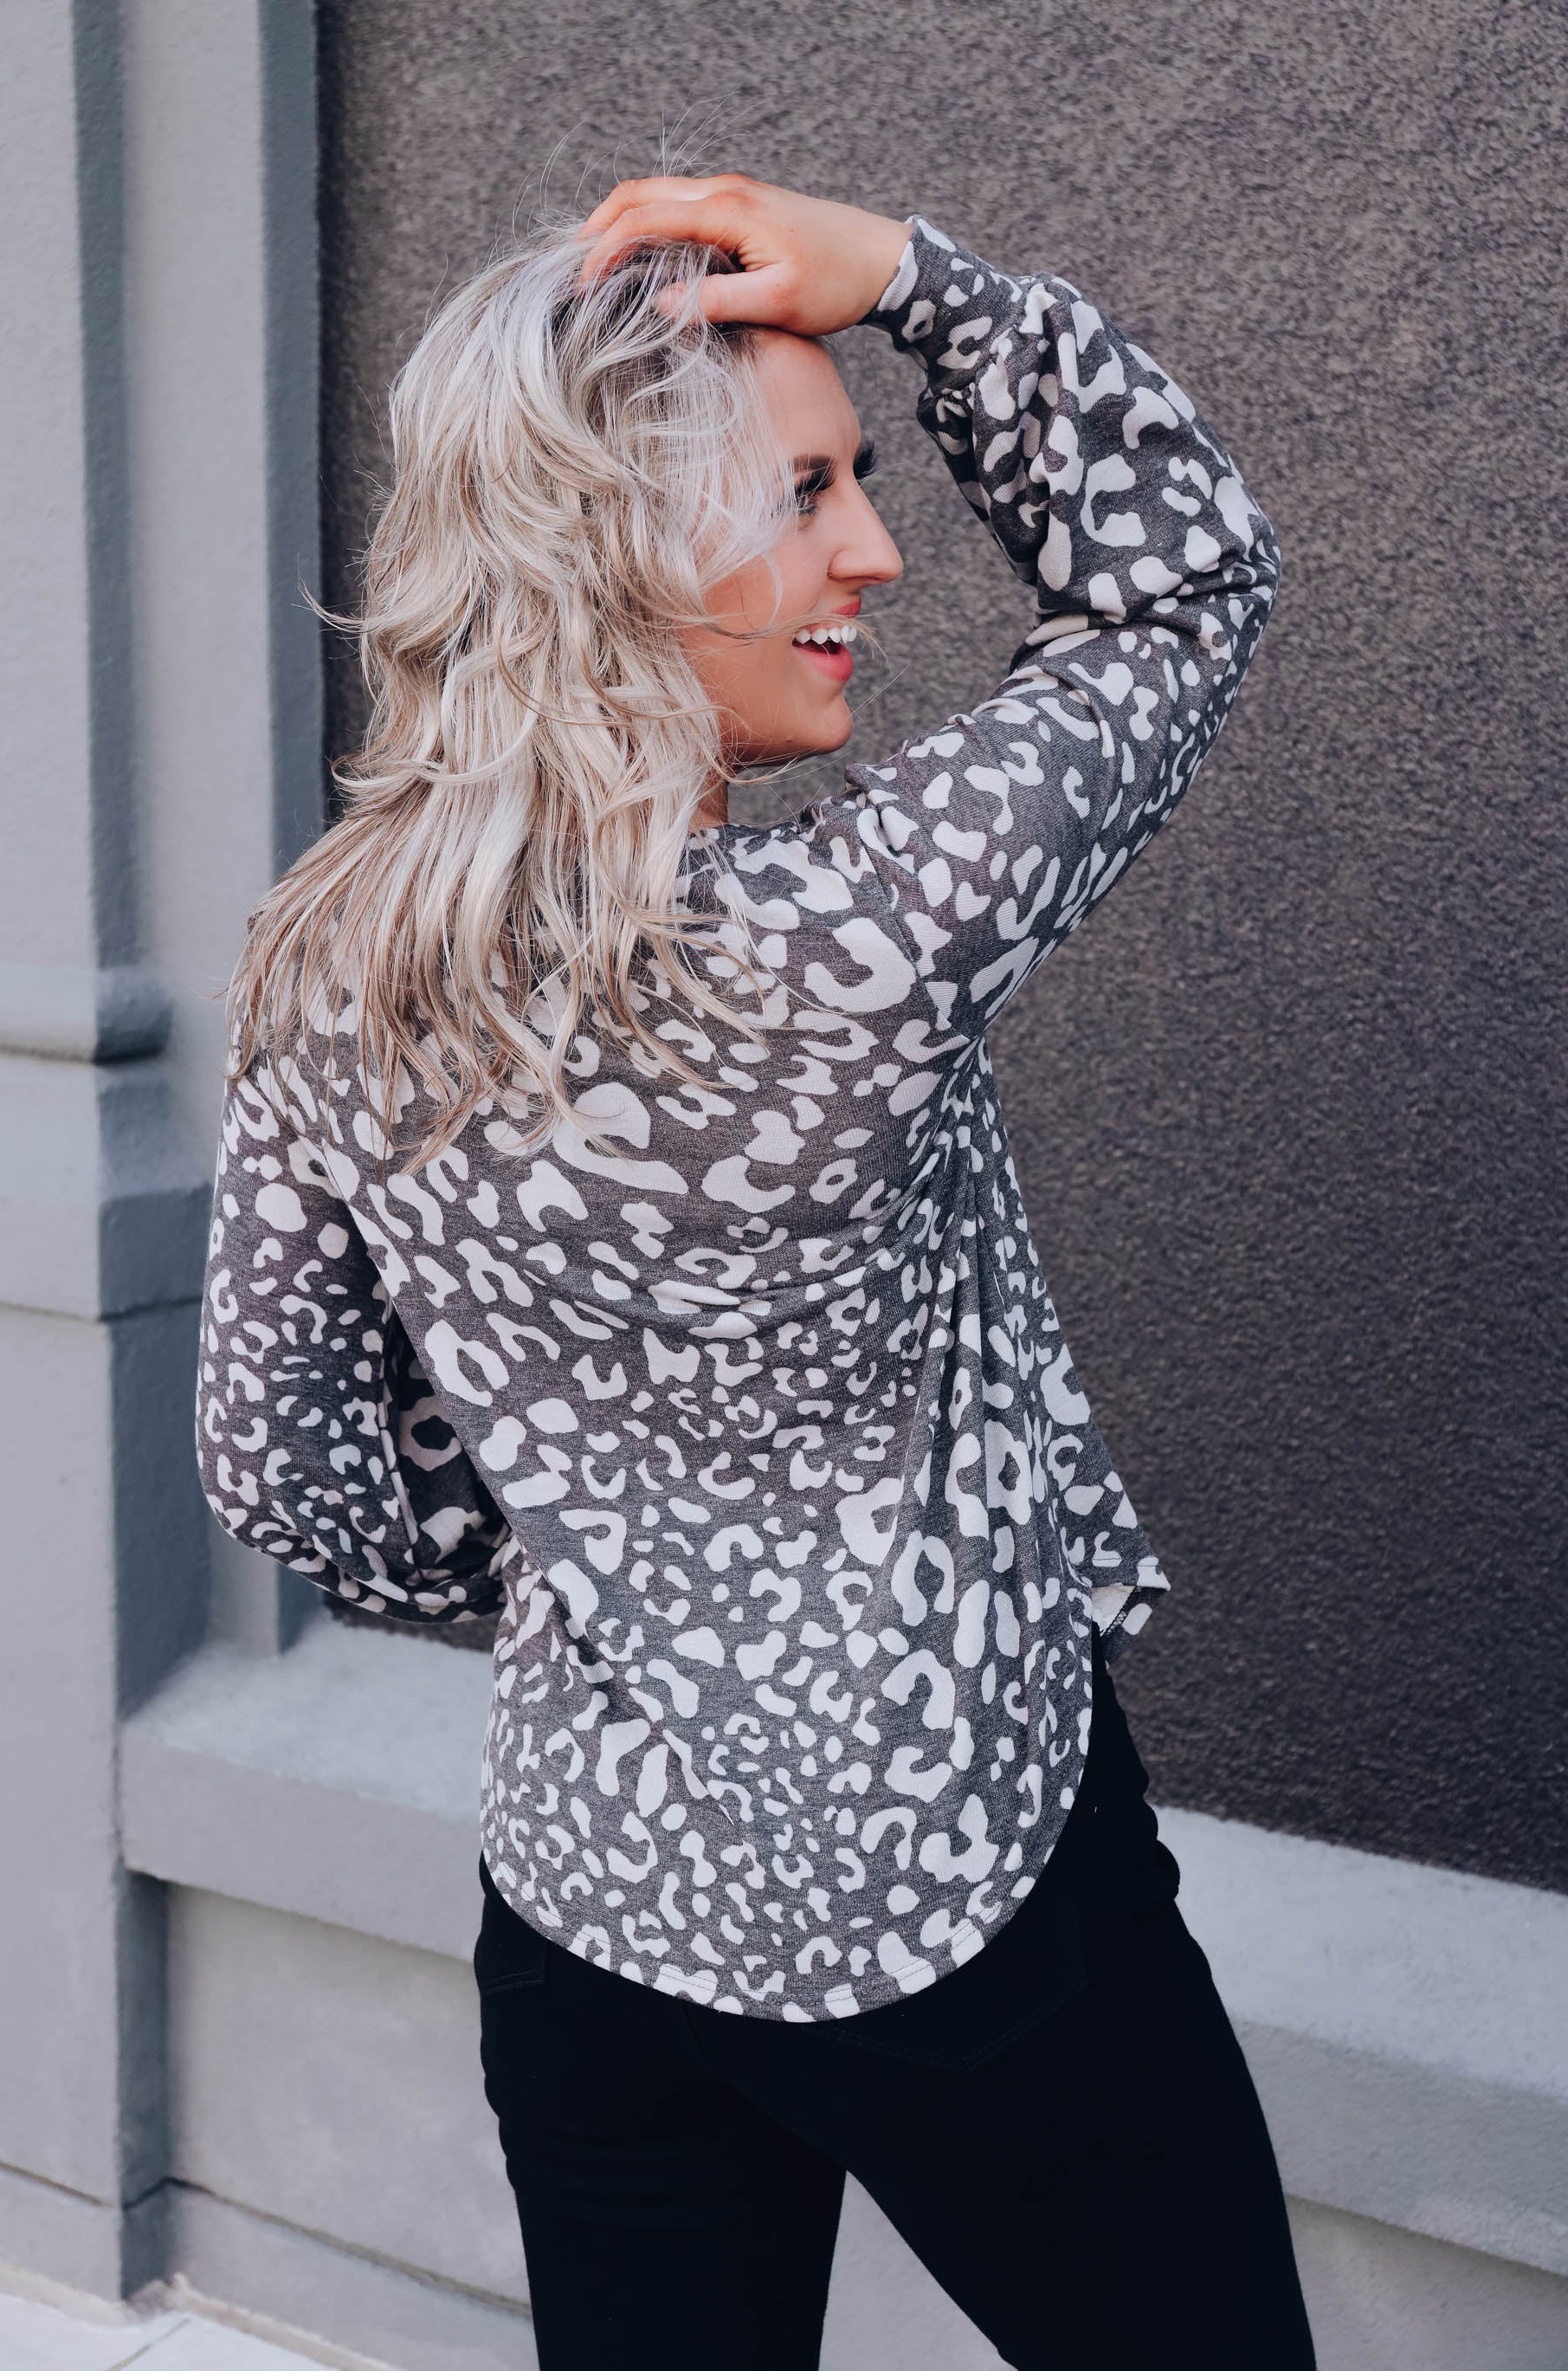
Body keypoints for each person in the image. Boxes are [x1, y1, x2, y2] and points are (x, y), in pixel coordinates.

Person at [195, 173, 1311, 2368]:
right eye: (806, 494)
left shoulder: (334, 965)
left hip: (590, 1910)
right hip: (960, 1895)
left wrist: (582, 1552)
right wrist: (908, 278)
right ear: (611, 553)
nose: (871, 552)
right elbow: (1184, 580)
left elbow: (280, 1459)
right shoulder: (853, 943)